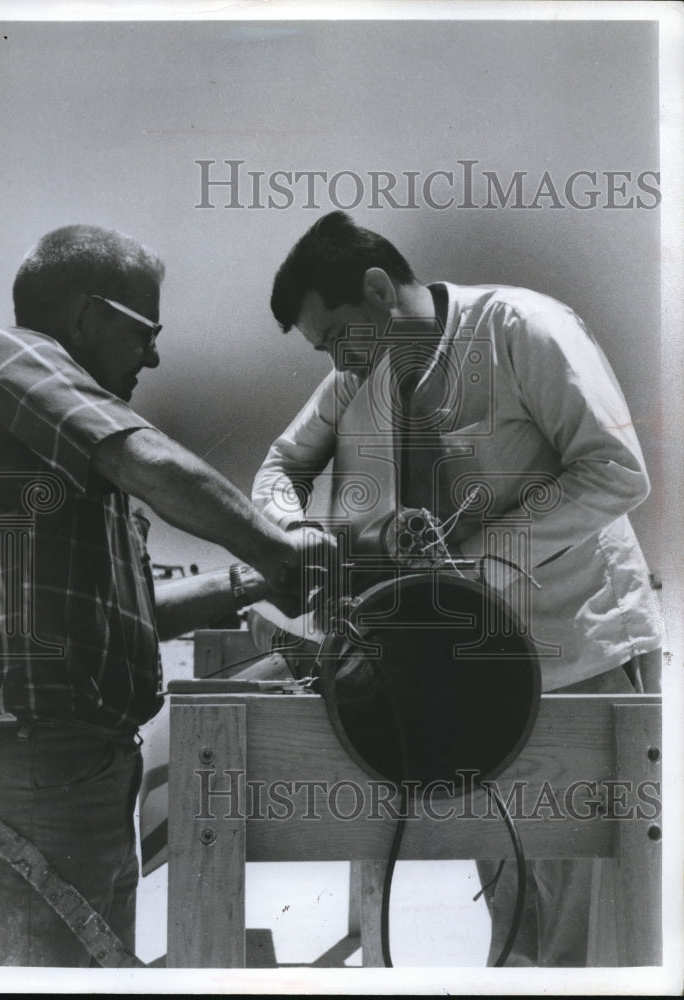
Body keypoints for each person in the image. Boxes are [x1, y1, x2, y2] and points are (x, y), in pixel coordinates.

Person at [251, 210, 663, 967]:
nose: (337, 362)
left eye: (339, 336)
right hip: (466, 676)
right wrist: (295, 534)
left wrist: (479, 559)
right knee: (513, 918)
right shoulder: (356, 372)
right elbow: (279, 469)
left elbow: (615, 470)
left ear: (377, 288)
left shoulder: (523, 328)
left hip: (576, 655)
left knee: (590, 933)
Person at [0, 223, 336, 967]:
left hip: (76, 771)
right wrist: (278, 551)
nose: (153, 355)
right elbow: (148, 457)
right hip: (39, 772)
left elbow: (136, 612)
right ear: (87, 316)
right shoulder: (6, 357)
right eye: (144, 333)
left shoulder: (79, 463)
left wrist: (255, 580)